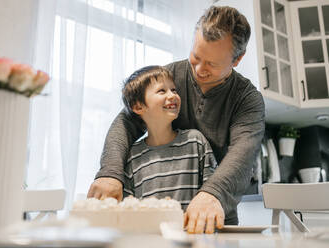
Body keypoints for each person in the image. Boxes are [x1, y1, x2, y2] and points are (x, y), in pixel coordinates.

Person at [87, 6, 265, 234]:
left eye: (212, 64)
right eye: (196, 56)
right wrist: (110, 173)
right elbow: (124, 122)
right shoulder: (170, 76)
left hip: (215, 220)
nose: (199, 69)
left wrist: (212, 192)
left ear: (237, 60)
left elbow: (243, 155)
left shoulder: (247, 99)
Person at [120, 65, 218, 212]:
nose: (172, 95)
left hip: (192, 234)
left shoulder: (195, 141)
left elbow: (212, 189)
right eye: (161, 91)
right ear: (138, 106)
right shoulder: (133, 156)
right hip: (151, 234)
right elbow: (129, 209)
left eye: (174, 90)